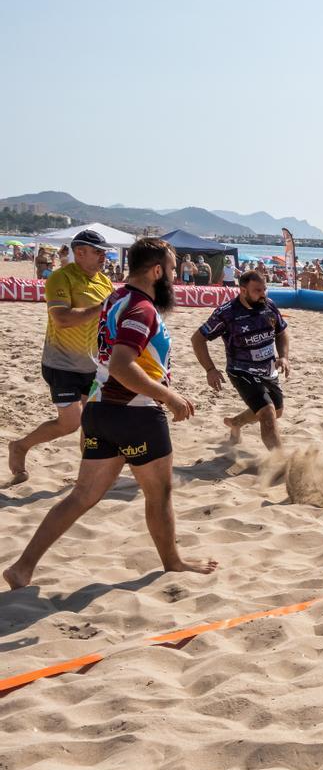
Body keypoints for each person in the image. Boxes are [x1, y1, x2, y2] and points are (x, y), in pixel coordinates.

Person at [4, 238, 218, 590]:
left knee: (82, 496)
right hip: (136, 414)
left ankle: (23, 567)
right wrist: (170, 396)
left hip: (100, 411)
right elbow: (121, 364)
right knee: (159, 494)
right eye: (173, 268)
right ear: (157, 271)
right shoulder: (141, 308)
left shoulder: (115, 298)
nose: (176, 275)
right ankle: (174, 562)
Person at [7, 230, 114, 484]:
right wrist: (101, 308)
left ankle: (86, 477)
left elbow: (107, 322)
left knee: (92, 423)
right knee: (70, 424)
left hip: (92, 364)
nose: (104, 257)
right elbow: (63, 319)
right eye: (98, 252)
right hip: (61, 363)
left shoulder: (105, 282)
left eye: (104, 252)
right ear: (80, 252)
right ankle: (20, 446)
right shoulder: (60, 278)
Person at [191, 270, 291, 450]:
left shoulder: (269, 306)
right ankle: (280, 462)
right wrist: (210, 369)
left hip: (268, 370)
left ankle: (236, 422)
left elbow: (281, 333)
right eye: (257, 290)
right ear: (243, 291)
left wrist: (283, 356)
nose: (263, 295)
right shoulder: (227, 313)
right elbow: (197, 339)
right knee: (267, 412)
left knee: (277, 411)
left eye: (265, 289)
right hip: (241, 371)